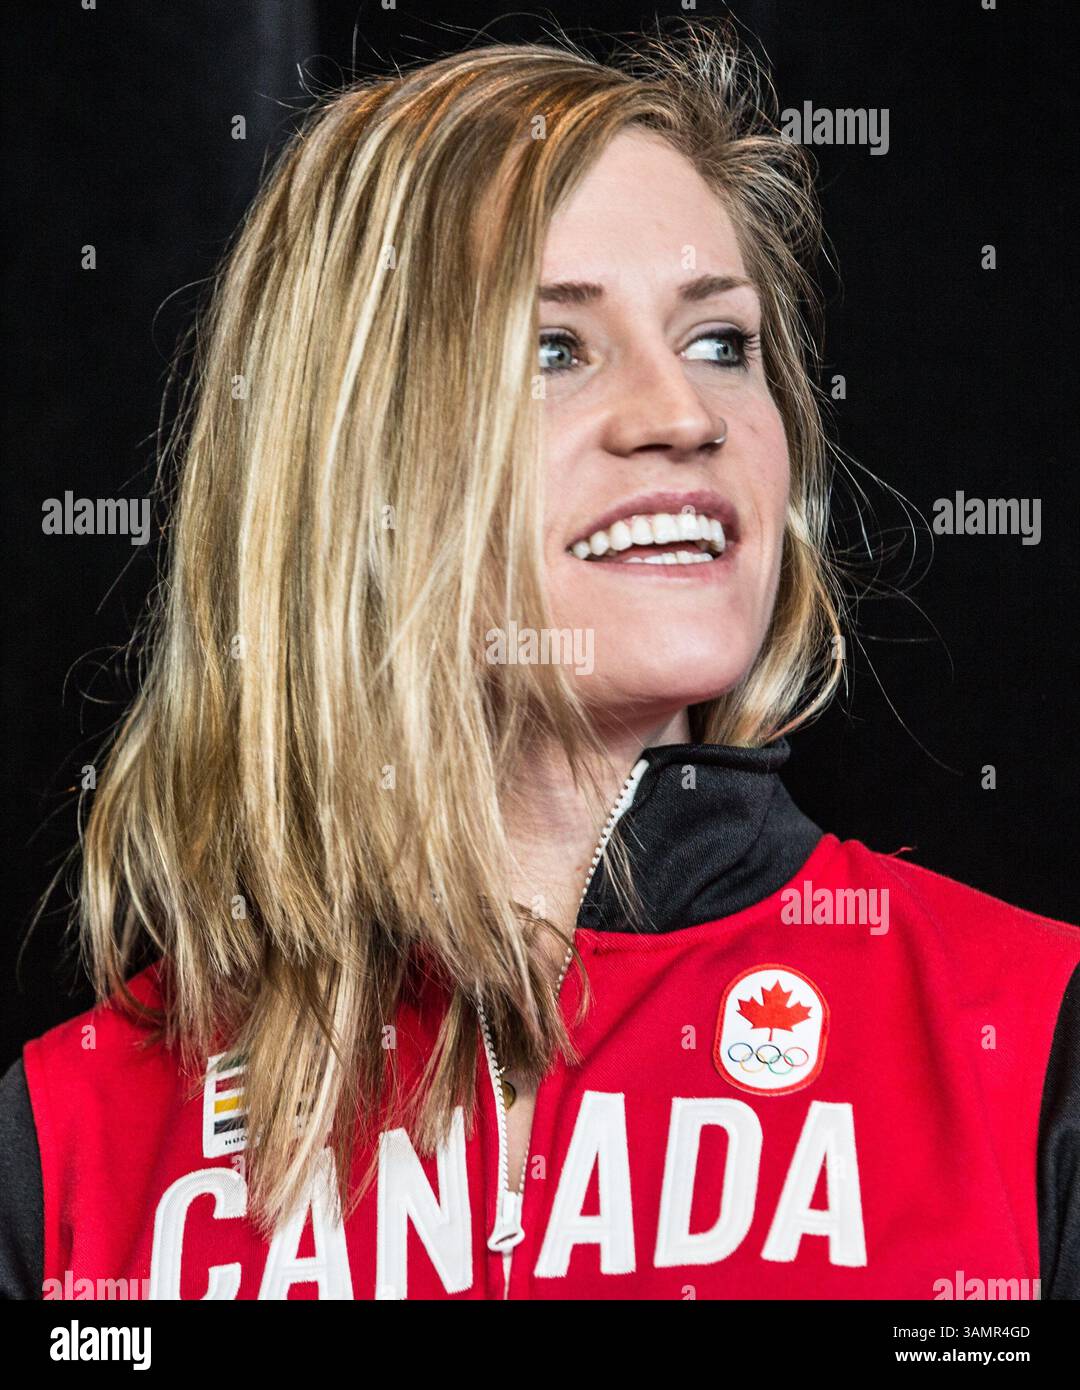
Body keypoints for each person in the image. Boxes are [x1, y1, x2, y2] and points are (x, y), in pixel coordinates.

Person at [1, 20, 1077, 1301]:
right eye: (554, 350)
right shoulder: (74, 1139)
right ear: (354, 458)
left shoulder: (1024, 1040)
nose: (684, 414)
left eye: (721, 341)